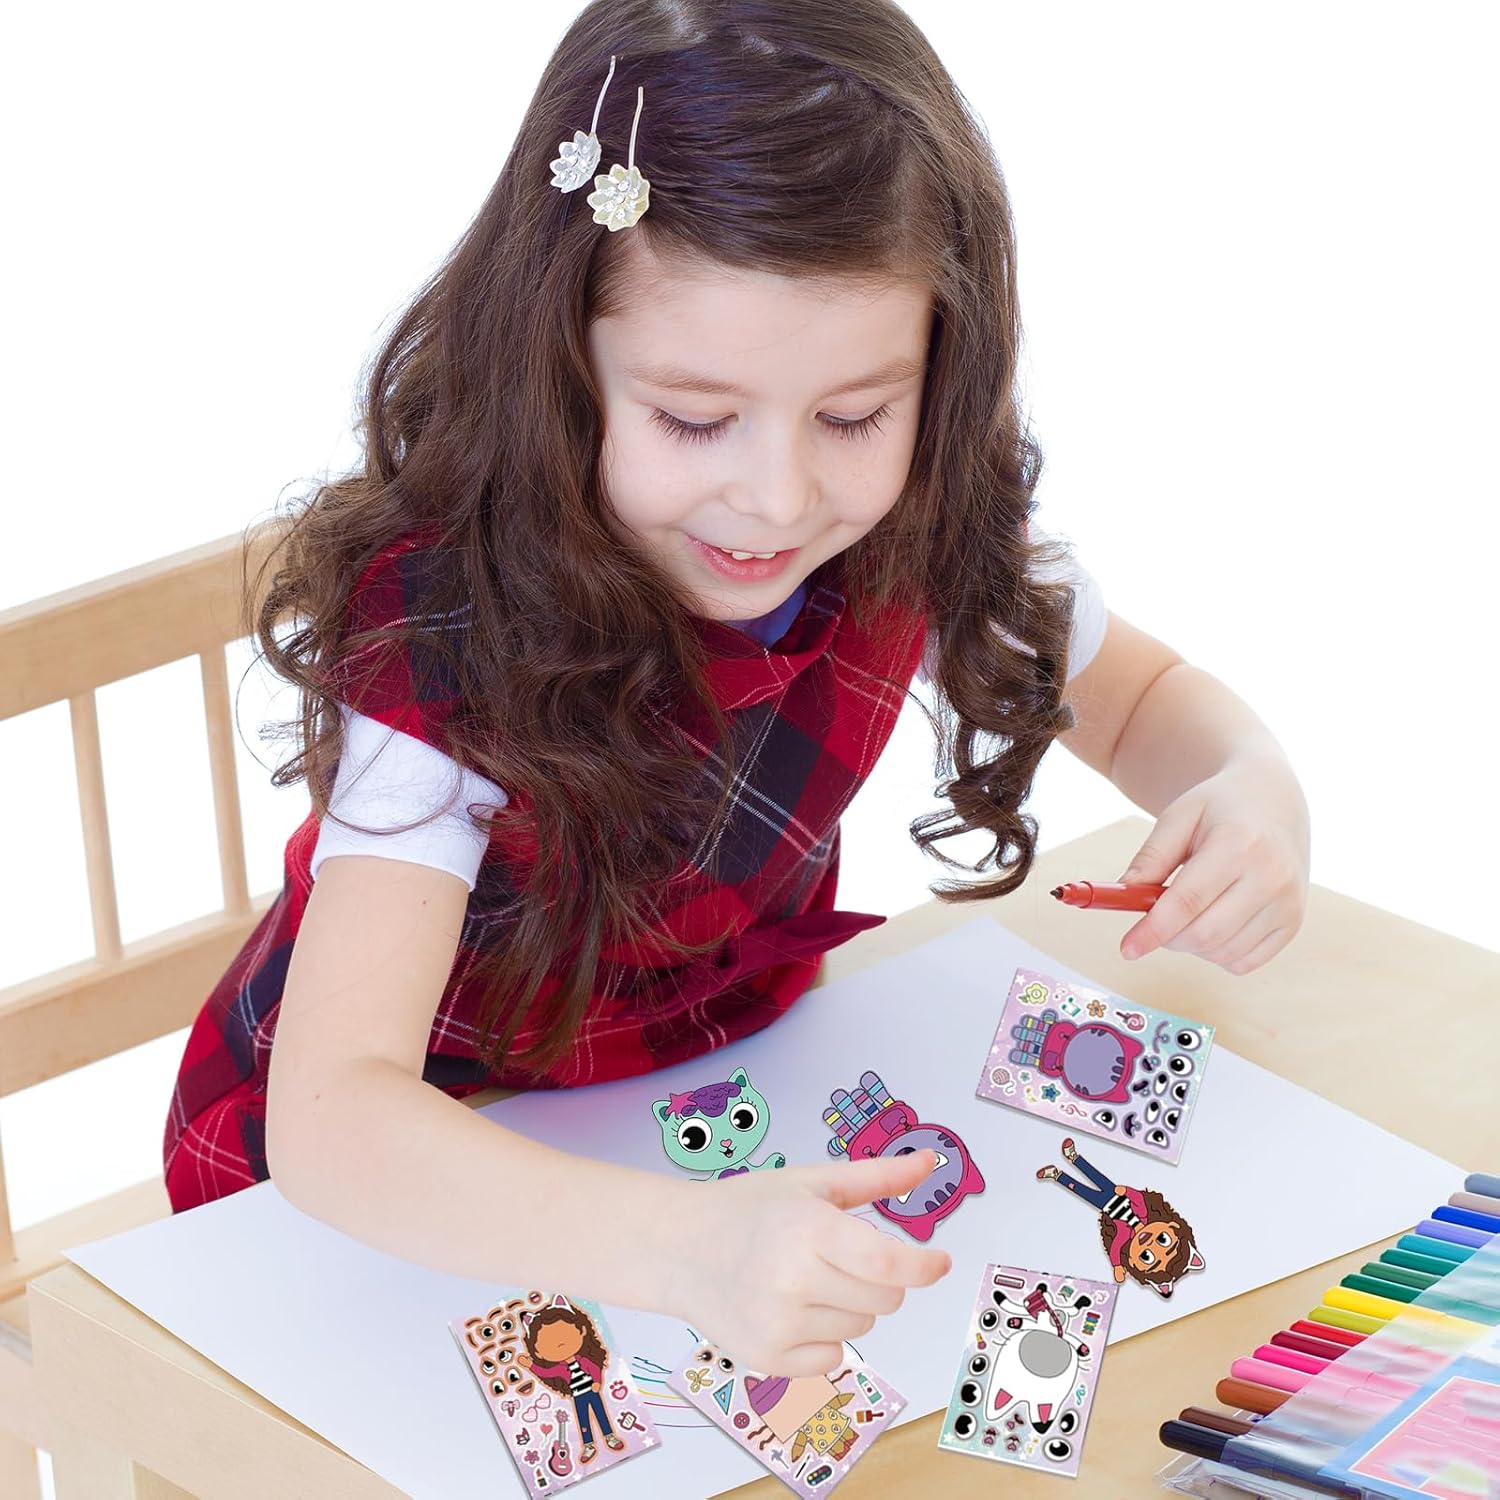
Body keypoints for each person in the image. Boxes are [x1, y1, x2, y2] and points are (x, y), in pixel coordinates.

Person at [162, 0, 1309, 1378]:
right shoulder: (449, 630)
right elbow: (336, 1119)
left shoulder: (905, 529)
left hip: (713, 1102)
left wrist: (1251, 788)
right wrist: (681, 1251)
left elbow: (1141, 704)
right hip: (419, 1186)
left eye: (854, 416)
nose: (778, 496)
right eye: (695, 419)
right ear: (558, 365)